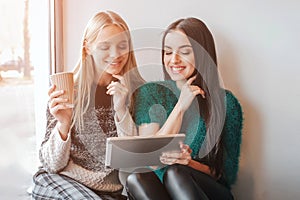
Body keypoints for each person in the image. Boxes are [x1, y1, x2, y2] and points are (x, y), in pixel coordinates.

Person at [126, 17, 243, 200]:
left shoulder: (226, 103)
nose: (174, 60)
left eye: (185, 52)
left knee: (176, 173)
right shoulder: (151, 94)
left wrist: (189, 163)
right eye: (168, 52)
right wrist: (181, 106)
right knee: (137, 178)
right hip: (162, 190)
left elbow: (226, 175)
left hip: (207, 190)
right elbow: (149, 157)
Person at [31, 10, 144, 199]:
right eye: (105, 46)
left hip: (106, 192)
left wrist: (121, 110)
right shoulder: (68, 89)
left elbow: (131, 161)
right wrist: (63, 124)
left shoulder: (136, 91)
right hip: (59, 182)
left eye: (122, 45)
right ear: (87, 48)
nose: (115, 54)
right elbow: (52, 165)